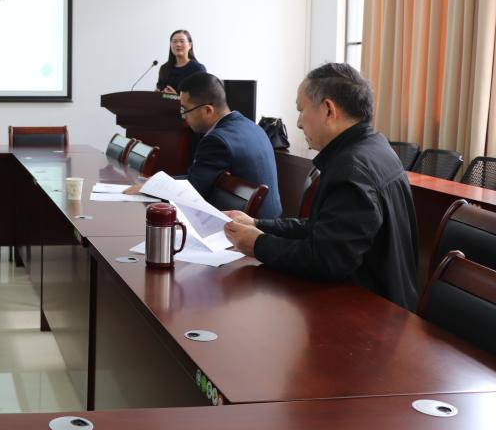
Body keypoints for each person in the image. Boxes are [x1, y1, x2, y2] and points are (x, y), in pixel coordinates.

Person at [223, 63, 419, 310]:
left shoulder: (350, 169)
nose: (298, 123)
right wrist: (257, 224)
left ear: (328, 110)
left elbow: (326, 259)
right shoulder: (374, 148)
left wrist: (258, 244)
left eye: (301, 110)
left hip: (371, 312)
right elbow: (325, 229)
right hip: (385, 299)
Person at [127, 73, 283, 218]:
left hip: (251, 228)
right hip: (270, 221)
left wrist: (152, 187)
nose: (183, 116)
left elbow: (192, 188)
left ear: (207, 110)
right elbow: (198, 178)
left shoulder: (217, 140)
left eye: (185, 110)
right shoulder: (252, 126)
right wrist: (157, 182)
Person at [155, 29, 207, 94]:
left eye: (182, 41)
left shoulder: (198, 69)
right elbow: (161, 90)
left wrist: (175, 97)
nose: (178, 44)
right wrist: (158, 94)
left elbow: (201, 97)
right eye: (174, 41)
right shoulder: (164, 68)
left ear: (190, 45)